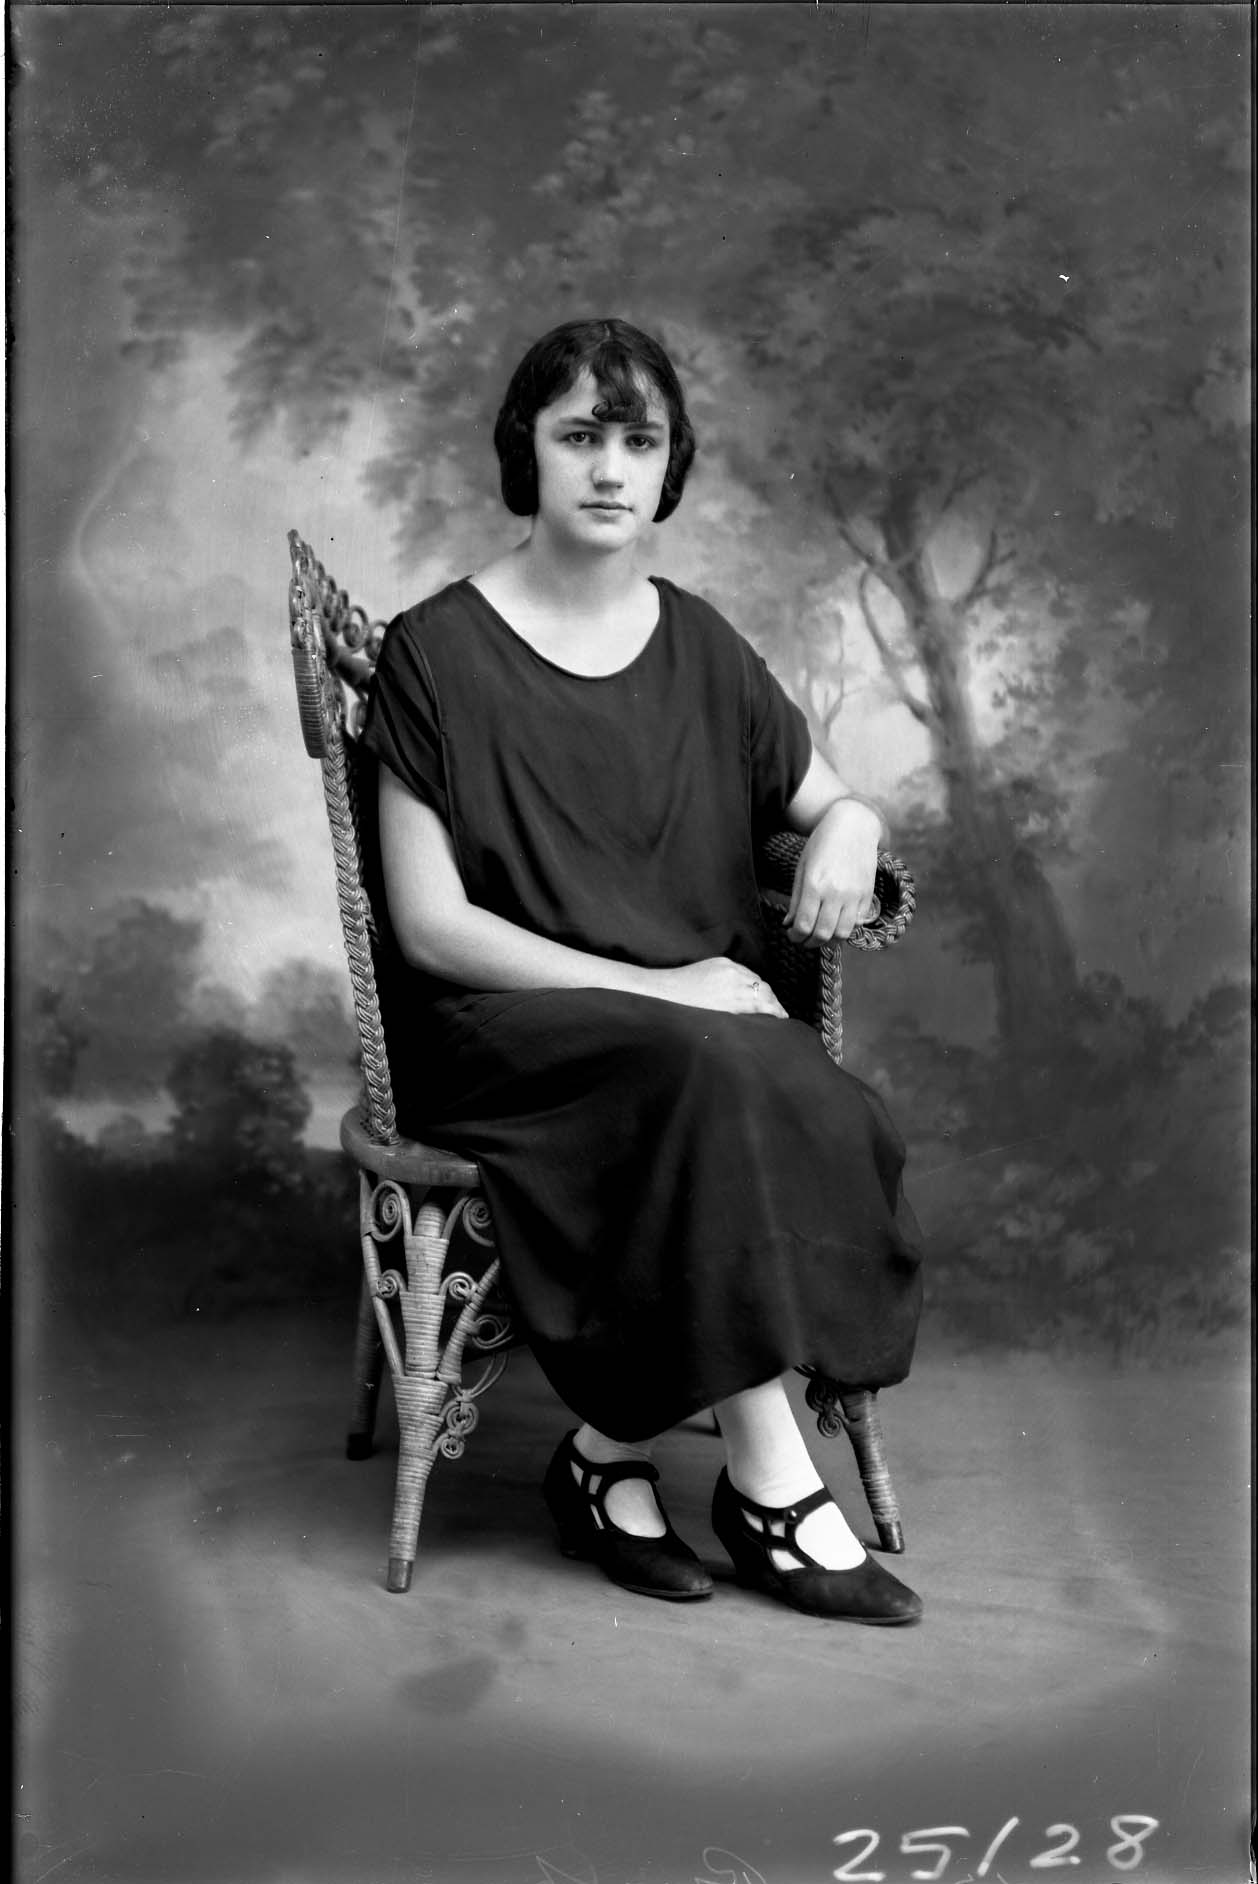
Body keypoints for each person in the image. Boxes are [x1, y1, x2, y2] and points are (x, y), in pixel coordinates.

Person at [362, 317, 924, 1623]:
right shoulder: (433, 652)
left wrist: (851, 822)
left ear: (670, 465)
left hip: (693, 1044)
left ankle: (605, 1458)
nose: (611, 469)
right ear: (527, 451)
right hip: (507, 1035)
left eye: (640, 441)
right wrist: (670, 991)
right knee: (717, 1061)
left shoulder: (705, 647)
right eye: (580, 436)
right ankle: (774, 1496)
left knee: (773, 1079)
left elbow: (829, 797)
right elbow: (431, 927)